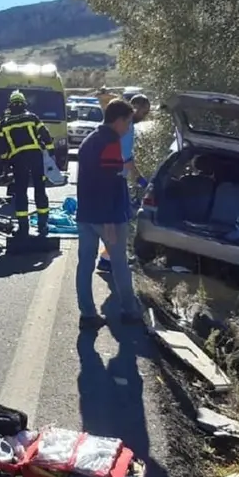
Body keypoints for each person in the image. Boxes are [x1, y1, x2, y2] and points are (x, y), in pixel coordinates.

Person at [75, 98, 141, 329]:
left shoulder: (89, 141)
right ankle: (129, 311)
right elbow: (108, 184)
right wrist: (110, 220)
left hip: (86, 214)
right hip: (107, 216)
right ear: (119, 120)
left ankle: (87, 314)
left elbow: (89, 180)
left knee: (85, 264)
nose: (128, 128)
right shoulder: (111, 143)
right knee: (120, 263)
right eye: (128, 122)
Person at [96, 94, 151, 272]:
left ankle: (107, 258)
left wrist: (137, 177)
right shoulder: (127, 129)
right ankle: (110, 259)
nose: (146, 116)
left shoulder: (122, 127)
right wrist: (139, 178)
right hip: (117, 178)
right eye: (145, 111)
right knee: (119, 222)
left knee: (117, 221)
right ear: (136, 108)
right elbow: (125, 157)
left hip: (115, 177)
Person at [0, 90, 56, 237]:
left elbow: (0, 146)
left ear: (10, 105)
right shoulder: (32, 118)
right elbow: (45, 135)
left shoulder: (4, 123)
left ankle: (23, 228)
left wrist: (5, 163)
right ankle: (43, 225)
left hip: (18, 160)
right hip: (36, 157)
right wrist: (51, 153)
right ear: (24, 104)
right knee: (40, 190)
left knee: (21, 192)